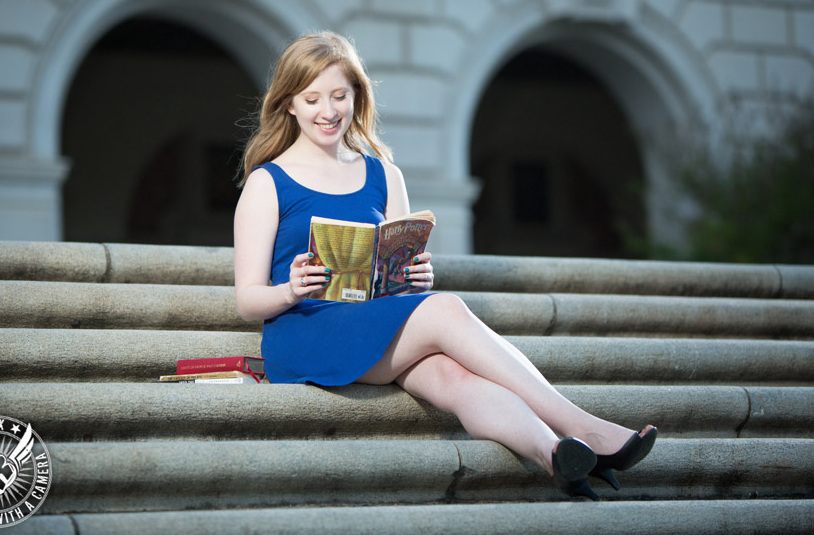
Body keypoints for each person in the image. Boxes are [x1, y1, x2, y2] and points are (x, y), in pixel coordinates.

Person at [233, 31, 656, 500]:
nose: (328, 111)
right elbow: (248, 300)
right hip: (307, 333)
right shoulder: (267, 182)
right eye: (312, 98)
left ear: (357, 96)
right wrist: (290, 288)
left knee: (452, 378)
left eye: (339, 96)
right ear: (289, 104)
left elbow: (396, 270)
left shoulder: (383, 173)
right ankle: (585, 426)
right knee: (446, 309)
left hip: (375, 325)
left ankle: (556, 455)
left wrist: (413, 276)